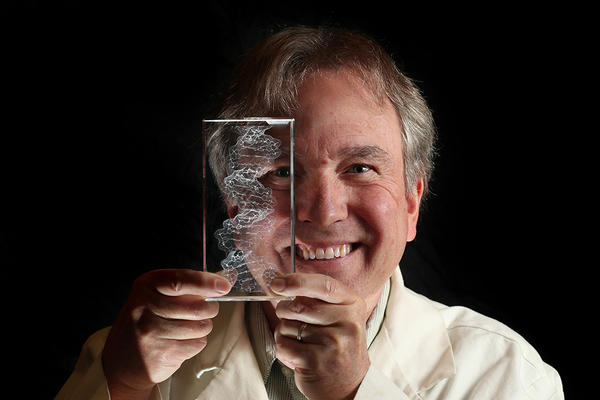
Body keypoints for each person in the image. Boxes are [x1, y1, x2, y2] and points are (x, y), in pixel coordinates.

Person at [56, 26, 563, 400]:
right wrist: (120, 386)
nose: (323, 211)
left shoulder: (505, 373)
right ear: (235, 205)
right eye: (280, 172)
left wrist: (354, 393)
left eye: (361, 167)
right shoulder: (130, 362)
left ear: (411, 204)